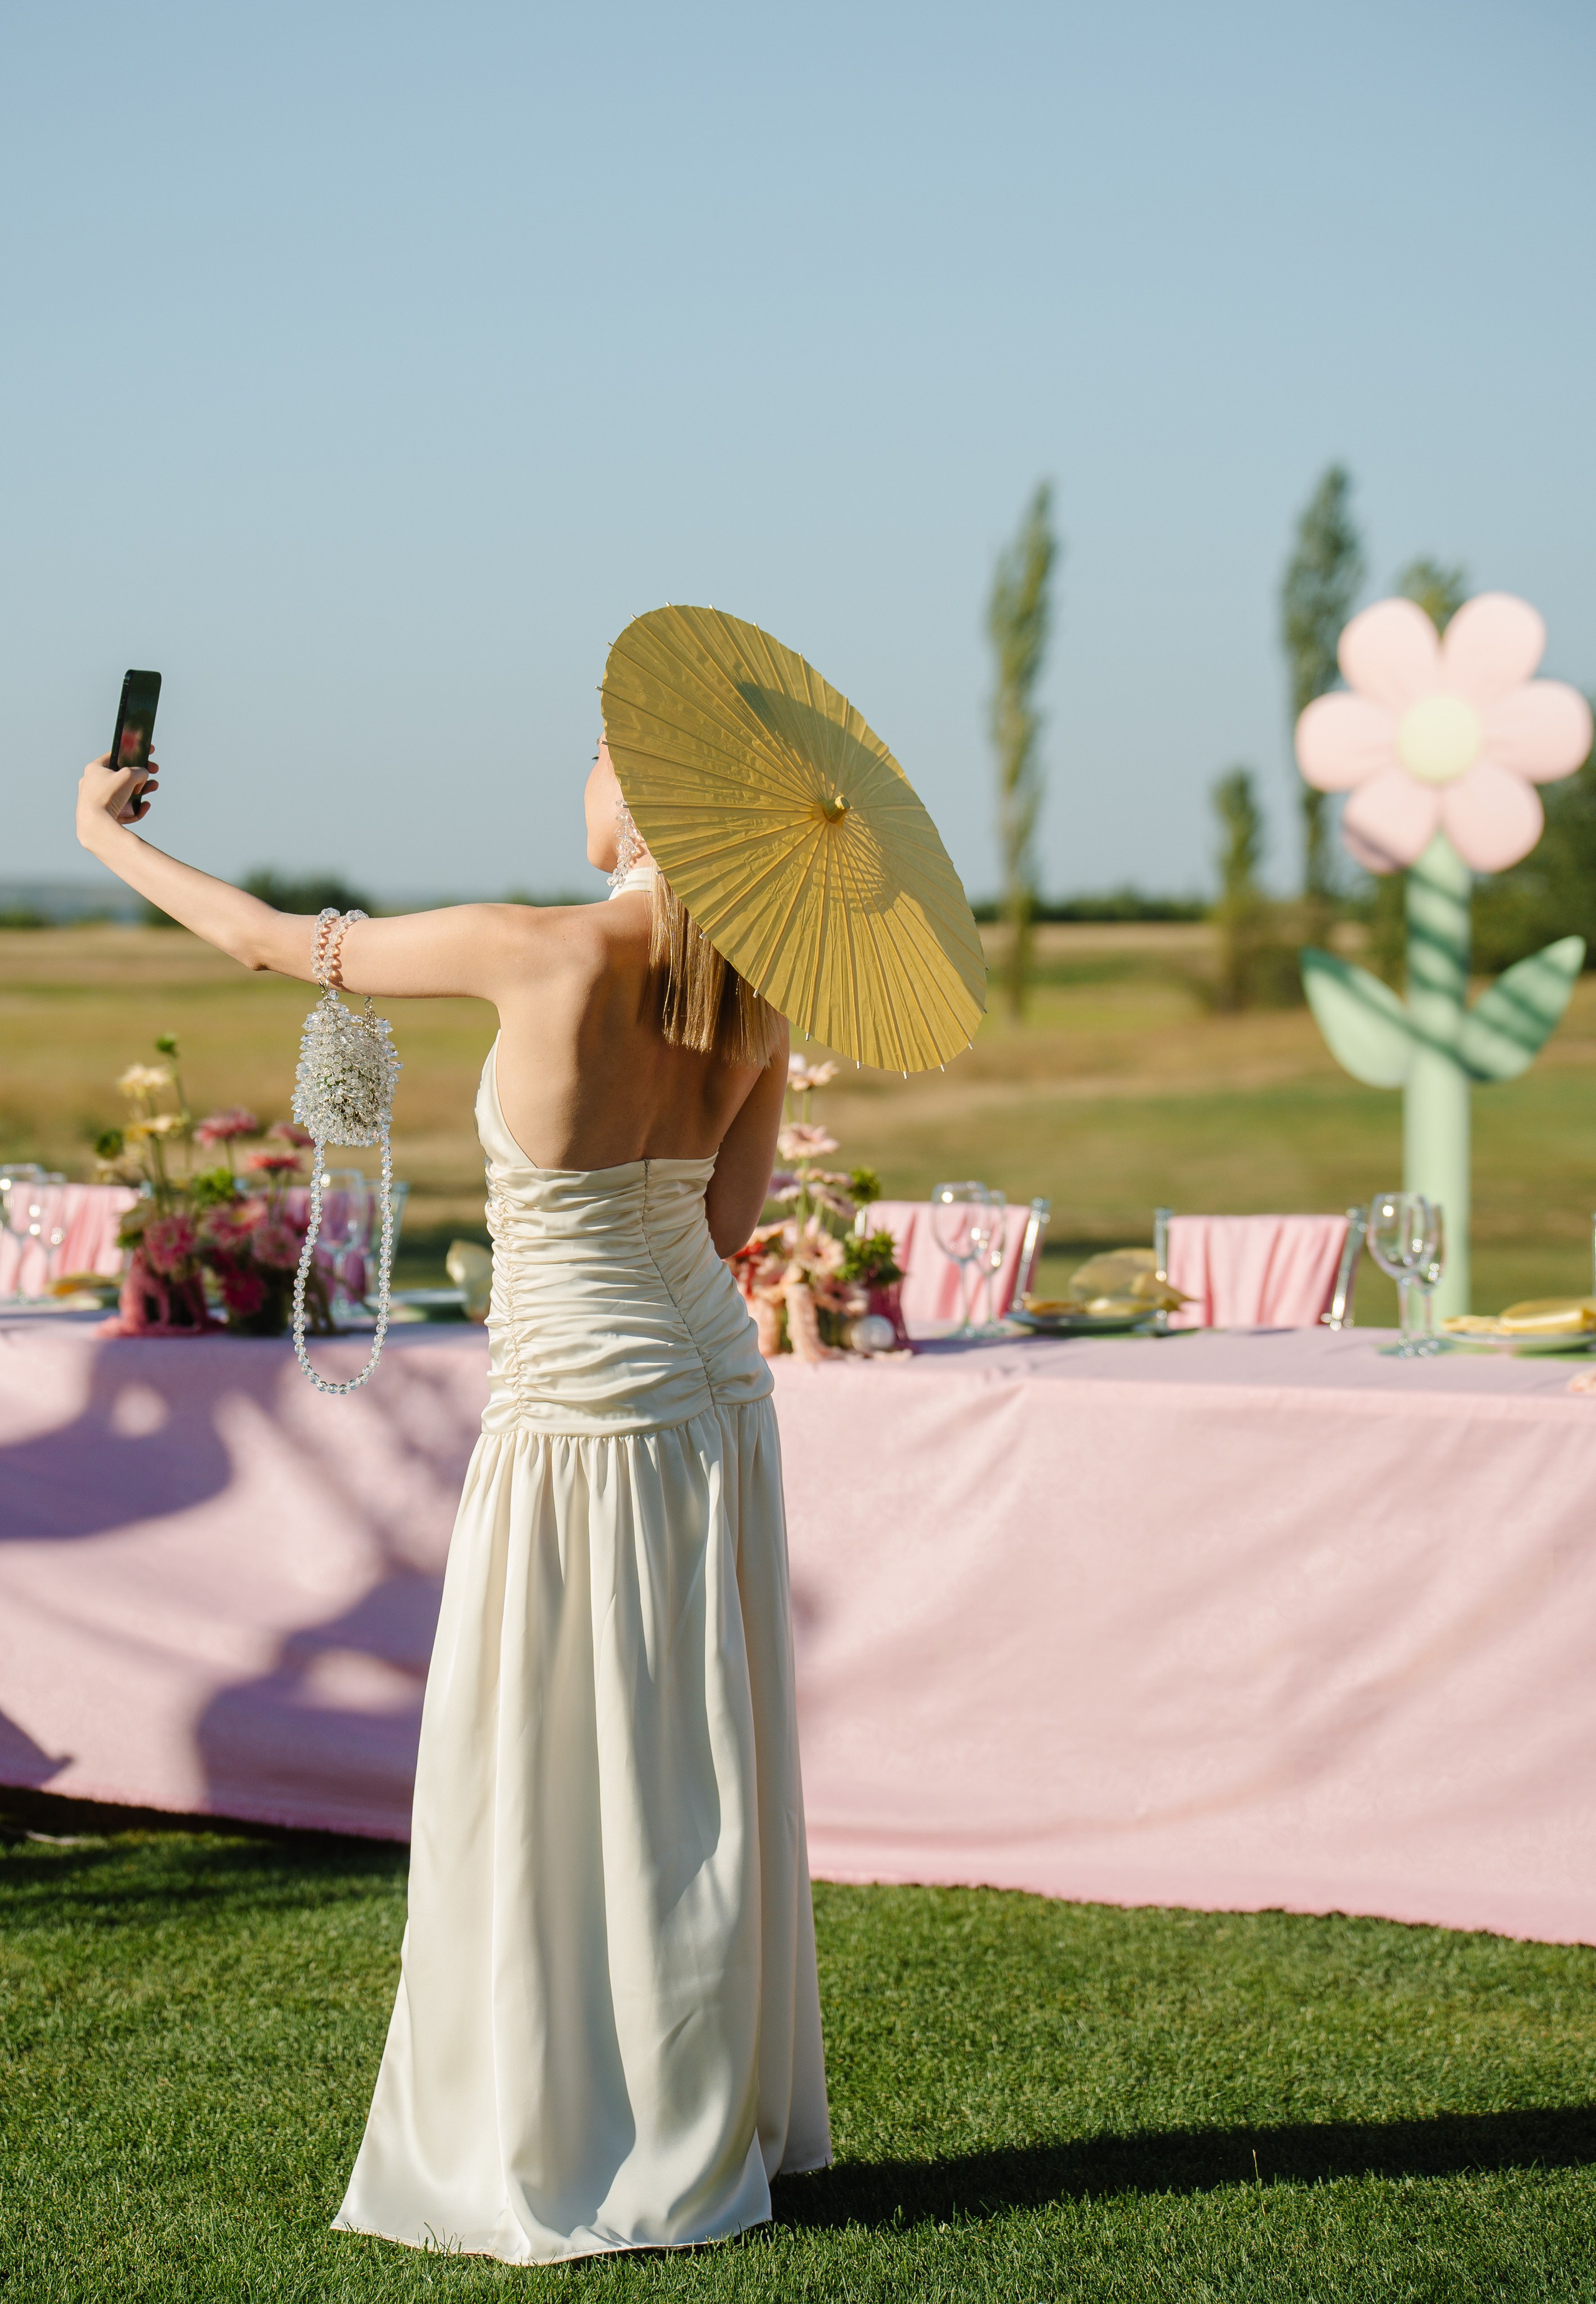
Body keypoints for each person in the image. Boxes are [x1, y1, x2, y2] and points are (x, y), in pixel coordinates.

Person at [74, 737, 831, 2265]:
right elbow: (731, 1219)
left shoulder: (534, 943)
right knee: (689, 1757)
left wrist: (102, 835)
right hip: (707, 1398)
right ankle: (699, 2103)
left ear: (643, 800)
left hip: (571, 1416)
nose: (590, 767)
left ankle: (566, 2124)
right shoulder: (757, 986)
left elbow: (268, 942)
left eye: (608, 750)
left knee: (549, 1757)